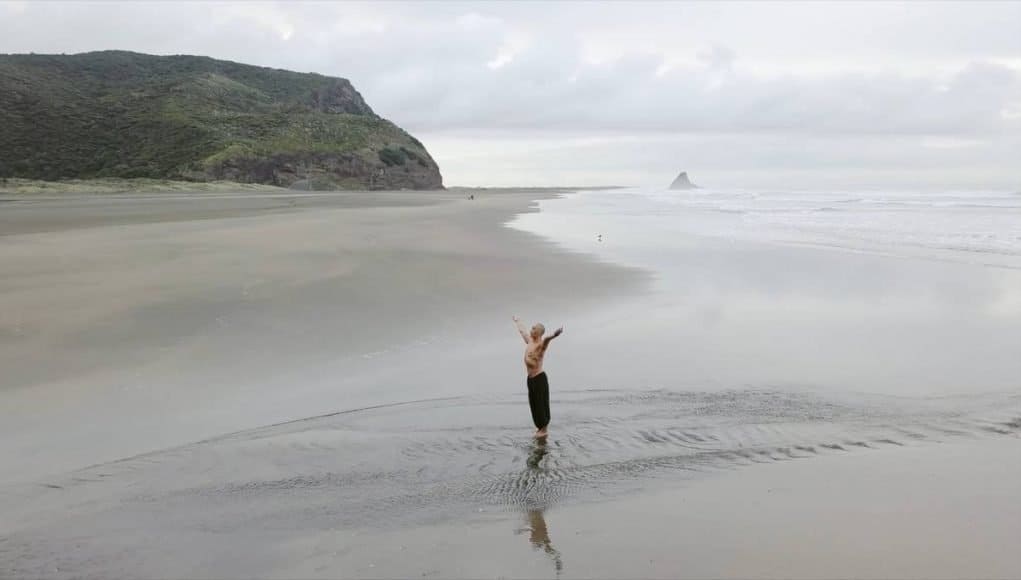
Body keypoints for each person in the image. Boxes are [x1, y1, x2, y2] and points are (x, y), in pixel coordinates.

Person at [512, 316, 563, 438]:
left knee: (541, 404)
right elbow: (523, 331)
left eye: (534, 328)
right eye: (532, 327)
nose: (531, 329)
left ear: (539, 332)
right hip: (530, 379)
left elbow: (546, 340)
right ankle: (540, 428)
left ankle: (544, 430)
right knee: (533, 404)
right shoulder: (529, 341)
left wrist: (554, 335)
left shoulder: (541, 345)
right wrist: (518, 321)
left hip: (539, 378)